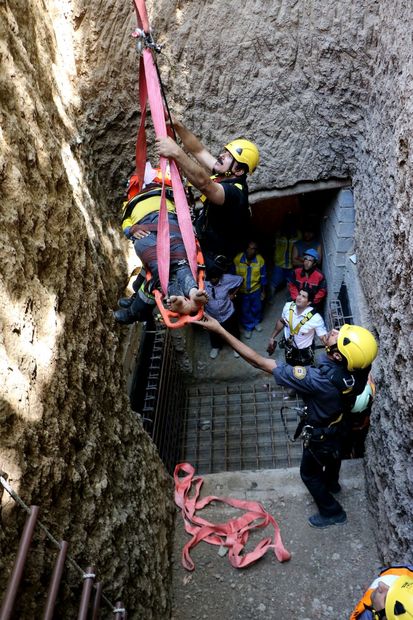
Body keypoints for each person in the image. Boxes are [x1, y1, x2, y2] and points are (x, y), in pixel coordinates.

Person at [193, 314, 378, 528]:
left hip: (321, 437)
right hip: (339, 426)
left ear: (337, 356)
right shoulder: (359, 368)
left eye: (338, 335)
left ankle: (332, 512)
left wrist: (220, 330)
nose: (334, 331)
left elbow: (259, 362)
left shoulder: (317, 380)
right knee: (333, 457)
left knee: (308, 474)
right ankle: (332, 484)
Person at [155, 120, 259, 276]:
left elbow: (205, 184)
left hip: (209, 263)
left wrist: (176, 152)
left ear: (238, 171)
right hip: (200, 247)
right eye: (225, 152)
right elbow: (198, 150)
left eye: (229, 156)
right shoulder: (224, 174)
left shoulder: (235, 194)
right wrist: (177, 125)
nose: (222, 155)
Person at [113, 167, 208, 324]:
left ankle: (186, 295)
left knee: (177, 259)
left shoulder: (170, 193)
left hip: (167, 221)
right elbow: (126, 222)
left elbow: (184, 209)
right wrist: (131, 230)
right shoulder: (131, 203)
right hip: (145, 227)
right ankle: (188, 293)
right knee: (164, 264)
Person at [267, 287, 327, 366]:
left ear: (308, 302)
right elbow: (281, 321)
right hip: (289, 346)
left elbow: (323, 338)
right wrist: (272, 337)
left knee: (304, 371)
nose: (299, 298)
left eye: (303, 297)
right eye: (299, 294)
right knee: (289, 365)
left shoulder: (315, 318)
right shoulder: (288, 306)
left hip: (304, 351)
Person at [203, 269, 243, 359]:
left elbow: (240, 279)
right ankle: (216, 346)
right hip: (211, 314)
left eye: (216, 278)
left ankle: (236, 348)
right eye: (212, 278)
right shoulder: (202, 282)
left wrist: (234, 294)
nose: (214, 280)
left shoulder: (226, 279)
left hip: (227, 312)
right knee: (213, 332)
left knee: (233, 330)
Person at [233, 241, 267, 339]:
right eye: (249, 248)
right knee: (245, 309)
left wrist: (263, 291)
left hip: (256, 289)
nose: (251, 251)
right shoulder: (237, 259)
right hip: (242, 291)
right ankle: (249, 327)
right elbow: (233, 276)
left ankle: (256, 322)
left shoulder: (260, 260)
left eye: (254, 249)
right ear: (245, 248)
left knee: (257, 307)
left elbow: (263, 276)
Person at [268, 212, 301, 301]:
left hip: (292, 265)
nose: (289, 224)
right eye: (287, 222)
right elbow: (273, 246)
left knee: (291, 284)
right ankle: (269, 299)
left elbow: (300, 248)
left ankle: (288, 301)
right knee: (273, 283)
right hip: (280, 264)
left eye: (291, 222)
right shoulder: (279, 233)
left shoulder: (298, 234)